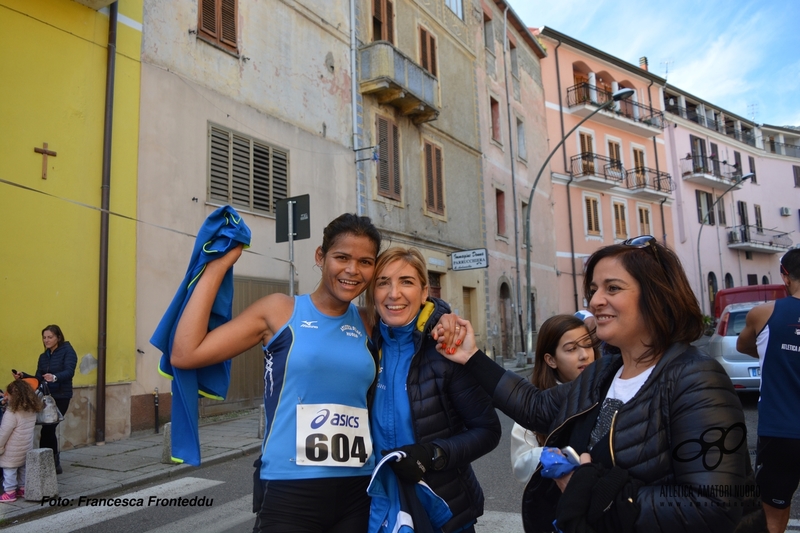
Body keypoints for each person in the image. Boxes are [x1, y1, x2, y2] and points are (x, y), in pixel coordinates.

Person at [436, 236, 760, 533]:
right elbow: (535, 407)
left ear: (656, 295)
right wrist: (471, 355)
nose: (595, 301)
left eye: (613, 288)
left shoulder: (696, 378)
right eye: (594, 289)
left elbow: (715, 506)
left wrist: (593, 489)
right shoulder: (605, 371)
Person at [170, 213, 382, 533]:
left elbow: (419, 316)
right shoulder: (280, 310)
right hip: (290, 488)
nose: (353, 270)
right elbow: (186, 353)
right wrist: (217, 266)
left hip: (358, 488)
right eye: (342, 257)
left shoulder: (370, 322)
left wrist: (445, 318)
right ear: (320, 257)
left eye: (365, 261)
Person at [365, 247, 501, 533]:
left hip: (443, 512)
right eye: (383, 282)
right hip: (379, 511)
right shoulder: (364, 347)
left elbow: (488, 430)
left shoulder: (446, 349)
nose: (393, 293)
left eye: (406, 281)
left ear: (425, 291)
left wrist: (433, 455)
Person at [737, 248, 800, 533]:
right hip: (781, 431)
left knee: (771, 517)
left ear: (785, 276)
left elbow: (743, 346)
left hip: (781, 432)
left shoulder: (764, 313)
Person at [510, 315, 595, 485]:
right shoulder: (536, 406)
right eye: (571, 349)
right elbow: (520, 464)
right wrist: (552, 457)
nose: (584, 355)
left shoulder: (608, 389)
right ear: (551, 360)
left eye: (588, 345)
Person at [14, 324, 77, 475]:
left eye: (50, 337)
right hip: (46, 397)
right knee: (47, 429)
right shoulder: (44, 357)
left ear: (58, 337)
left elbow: (69, 372)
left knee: (48, 428)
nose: (46, 340)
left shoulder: (68, 351)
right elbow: (38, 378)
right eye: (44, 337)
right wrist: (24, 377)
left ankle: (50, 463)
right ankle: (51, 463)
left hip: (61, 396)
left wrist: (55, 377)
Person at [0, 380, 43, 502]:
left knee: (9, 471)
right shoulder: (31, 410)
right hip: (26, 447)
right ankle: (23, 489)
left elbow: (4, 433)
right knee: (23, 469)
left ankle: (9, 492)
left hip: (11, 449)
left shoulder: (11, 413)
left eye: (8, 394)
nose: (5, 396)